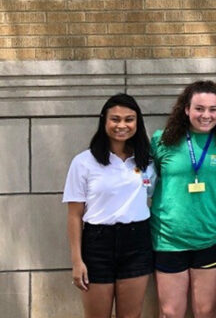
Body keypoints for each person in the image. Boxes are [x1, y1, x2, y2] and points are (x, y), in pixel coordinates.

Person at [151, 80, 216, 318]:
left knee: (206, 311)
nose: (206, 115)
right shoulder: (162, 140)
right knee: (170, 313)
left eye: (213, 109)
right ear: (186, 109)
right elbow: (150, 179)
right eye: (199, 108)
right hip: (169, 237)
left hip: (213, 238)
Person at [63, 93, 155, 318]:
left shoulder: (146, 161)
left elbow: (150, 193)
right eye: (115, 119)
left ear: (137, 122)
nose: (122, 125)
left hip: (137, 241)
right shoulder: (84, 162)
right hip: (97, 245)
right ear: (104, 121)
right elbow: (75, 215)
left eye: (129, 119)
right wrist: (77, 260)